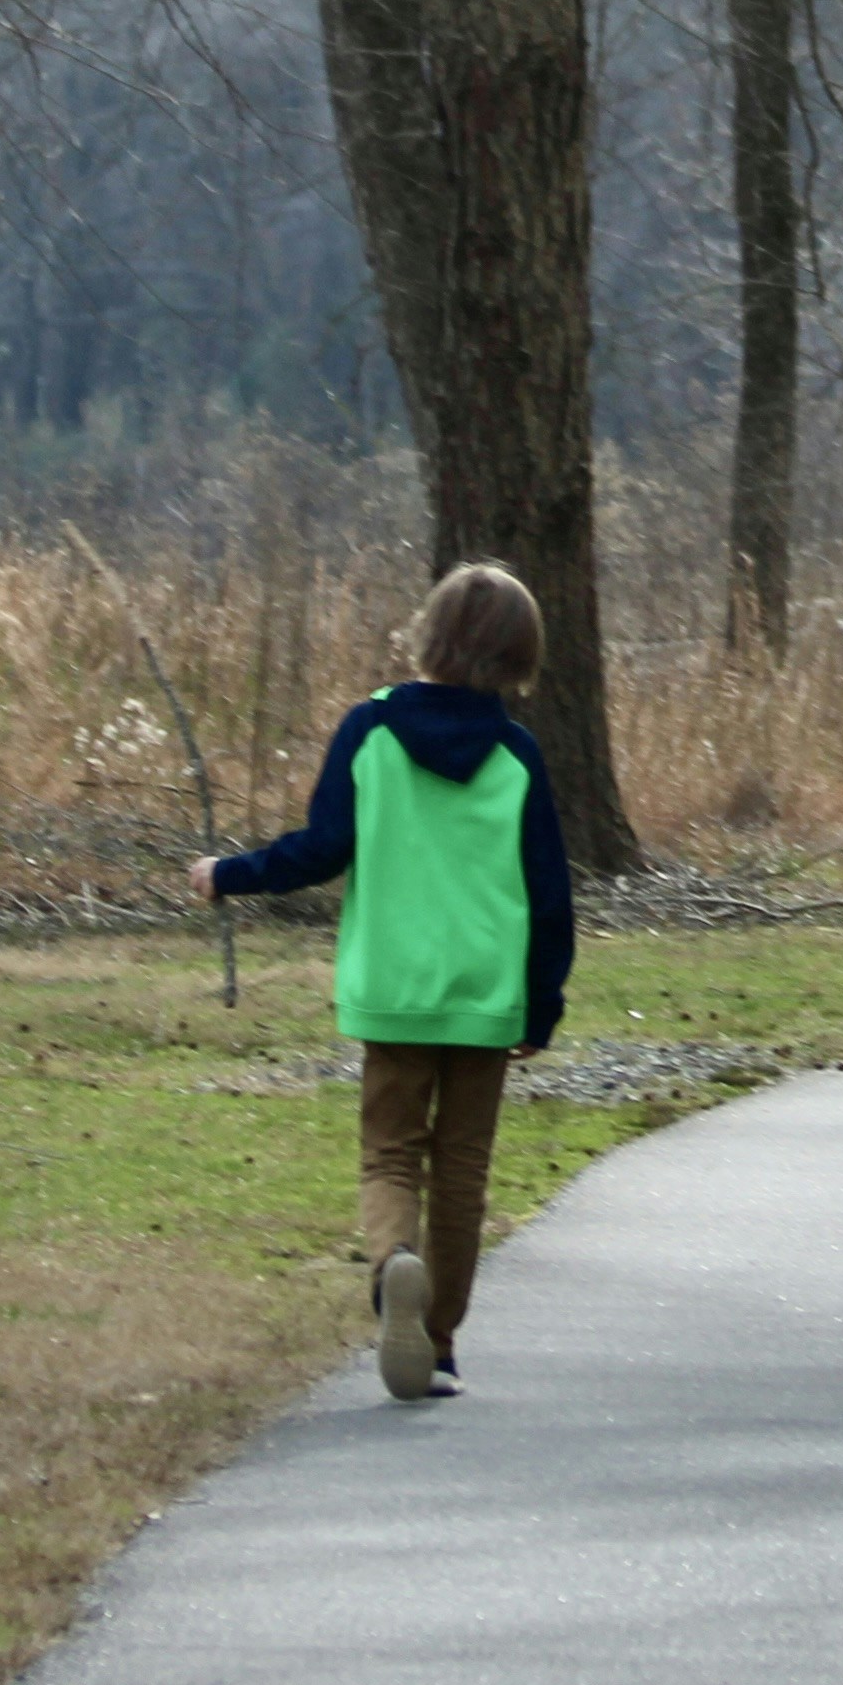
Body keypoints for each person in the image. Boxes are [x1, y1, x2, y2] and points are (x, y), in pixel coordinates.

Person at [208, 562, 573, 1402]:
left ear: (429, 634)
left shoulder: (369, 729)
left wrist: (230, 873)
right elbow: (551, 894)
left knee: (390, 1150)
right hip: (485, 994)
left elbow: (322, 848)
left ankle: (392, 1264)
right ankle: (438, 1340)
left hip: (394, 986)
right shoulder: (517, 754)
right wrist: (542, 1003)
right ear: (520, 656)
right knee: (464, 1166)